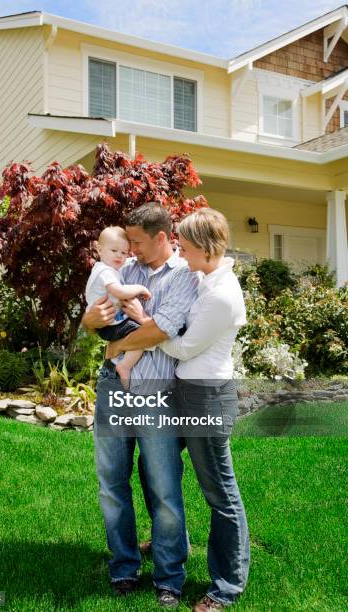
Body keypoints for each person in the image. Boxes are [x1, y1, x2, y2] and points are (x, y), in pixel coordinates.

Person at [110, 207, 250, 611]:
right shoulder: (206, 278)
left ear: (207, 248)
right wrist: (155, 326)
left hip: (206, 399)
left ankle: (225, 587)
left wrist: (144, 325)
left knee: (221, 495)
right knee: (155, 466)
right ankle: (173, 539)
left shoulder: (222, 294)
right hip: (184, 393)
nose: (181, 256)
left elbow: (183, 345)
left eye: (185, 248)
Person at [82, 203, 199, 608]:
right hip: (114, 384)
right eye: (127, 241)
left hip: (155, 392)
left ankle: (169, 577)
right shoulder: (124, 271)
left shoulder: (184, 277)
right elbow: (93, 317)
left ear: (162, 237)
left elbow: (162, 328)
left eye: (136, 241)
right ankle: (124, 567)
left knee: (163, 487)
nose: (129, 248)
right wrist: (90, 321)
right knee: (112, 483)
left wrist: (117, 343)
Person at [85, 225, 152, 388]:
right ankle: (125, 366)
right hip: (110, 325)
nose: (119, 256)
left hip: (110, 323)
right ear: (99, 250)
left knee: (140, 334)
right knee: (142, 335)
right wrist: (140, 288)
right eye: (114, 250)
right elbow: (120, 291)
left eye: (124, 253)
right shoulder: (105, 271)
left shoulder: (108, 269)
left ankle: (121, 359)